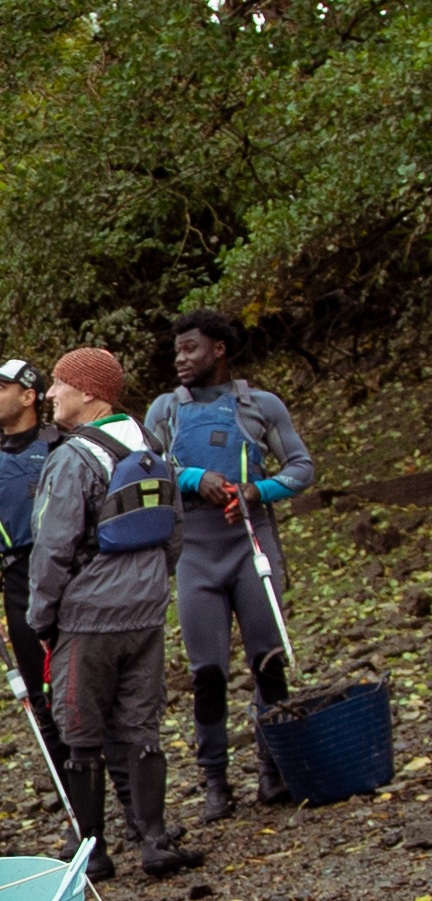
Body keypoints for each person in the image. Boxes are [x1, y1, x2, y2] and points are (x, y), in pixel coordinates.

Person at [28, 348, 199, 881]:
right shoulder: (150, 444)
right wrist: (153, 583)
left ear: (90, 394)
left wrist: (41, 618)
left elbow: (53, 547)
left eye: (59, 384)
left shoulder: (73, 457)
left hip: (88, 618)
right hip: (146, 613)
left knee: (80, 731)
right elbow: (174, 527)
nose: (50, 394)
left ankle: (91, 852)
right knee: (141, 726)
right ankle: (153, 841)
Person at [144, 312, 315, 820]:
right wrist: (195, 477)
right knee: (209, 670)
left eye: (191, 349)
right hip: (194, 549)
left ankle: (274, 768)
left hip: (249, 540)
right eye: (177, 350)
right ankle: (215, 781)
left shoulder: (260, 406)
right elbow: (148, 468)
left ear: (219, 350)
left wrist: (256, 491)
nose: (181, 359)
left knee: (268, 660)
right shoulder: (164, 411)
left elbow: (301, 468)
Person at [0, 356, 64, 766]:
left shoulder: (65, 447)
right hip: (19, 590)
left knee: (84, 696)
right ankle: (81, 817)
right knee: (43, 705)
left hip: (71, 582)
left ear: (29, 396)